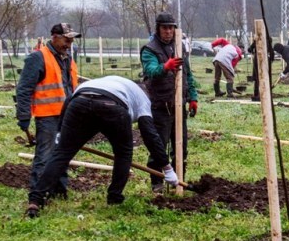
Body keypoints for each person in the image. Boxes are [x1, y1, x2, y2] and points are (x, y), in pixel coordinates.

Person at [25, 75, 179, 218]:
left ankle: (35, 200)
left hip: (80, 102)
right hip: (112, 107)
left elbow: (68, 101)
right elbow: (149, 134)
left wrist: (60, 131)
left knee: (62, 153)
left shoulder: (106, 81)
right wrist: (167, 168)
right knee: (123, 153)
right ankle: (114, 197)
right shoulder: (143, 98)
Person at [15, 23, 80, 200]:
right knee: (45, 156)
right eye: (66, 39)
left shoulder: (67, 58)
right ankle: (39, 193)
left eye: (71, 40)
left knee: (62, 154)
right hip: (48, 116)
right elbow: (24, 89)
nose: (69, 43)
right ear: (55, 37)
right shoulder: (38, 58)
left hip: (66, 116)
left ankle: (59, 191)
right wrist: (23, 116)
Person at [140, 12, 198, 193]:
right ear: (158, 29)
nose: (168, 31)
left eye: (171, 27)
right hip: (160, 107)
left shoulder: (179, 46)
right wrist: (165, 67)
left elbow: (188, 74)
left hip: (179, 107)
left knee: (181, 148)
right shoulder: (150, 49)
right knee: (159, 148)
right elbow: (150, 71)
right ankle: (157, 184)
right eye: (165, 28)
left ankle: (178, 181)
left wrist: (193, 97)